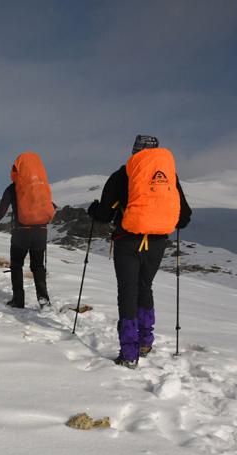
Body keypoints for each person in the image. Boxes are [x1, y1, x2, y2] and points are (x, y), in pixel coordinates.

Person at [88, 135, 192, 368]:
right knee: (145, 288)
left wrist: (93, 210)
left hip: (128, 241)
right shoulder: (169, 176)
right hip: (156, 242)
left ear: (134, 151)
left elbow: (104, 215)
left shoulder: (122, 175)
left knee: (127, 292)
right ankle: (145, 342)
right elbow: (183, 218)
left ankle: (129, 353)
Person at [0, 152, 54, 308]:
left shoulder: (13, 188)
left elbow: (1, 211)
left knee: (16, 265)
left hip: (21, 231)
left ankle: (18, 299)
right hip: (41, 231)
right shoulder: (41, 186)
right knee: (38, 266)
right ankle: (43, 298)